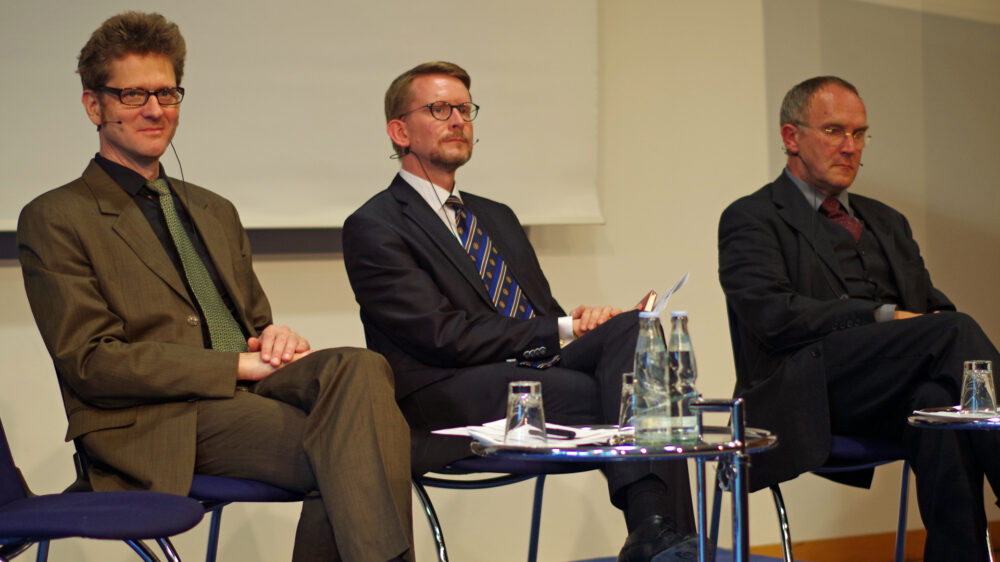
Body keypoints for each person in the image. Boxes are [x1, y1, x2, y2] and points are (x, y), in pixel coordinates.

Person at [16, 12, 411, 562]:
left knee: (362, 368)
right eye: (133, 95)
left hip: (245, 397)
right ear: (94, 106)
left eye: (167, 92)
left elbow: (252, 324)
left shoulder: (213, 209)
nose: (155, 109)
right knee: (357, 449)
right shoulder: (56, 217)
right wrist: (231, 368)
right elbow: (91, 363)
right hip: (156, 420)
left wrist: (271, 340)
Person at [342, 61, 700, 561]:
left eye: (466, 109)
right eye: (440, 109)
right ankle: (661, 537)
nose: (458, 120)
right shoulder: (375, 225)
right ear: (399, 131)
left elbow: (539, 315)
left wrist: (579, 327)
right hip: (443, 388)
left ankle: (657, 532)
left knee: (636, 335)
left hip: (526, 369)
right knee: (635, 394)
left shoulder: (497, 216)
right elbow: (442, 336)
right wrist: (560, 329)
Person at [718, 75, 1000, 560]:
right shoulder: (752, 217)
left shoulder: (887, 220)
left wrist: (916, 323)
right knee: (954, 333)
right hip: (808, 391)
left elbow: (932, 307)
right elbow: (773, 316)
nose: (850, 147)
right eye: (833, 131)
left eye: (859, 134)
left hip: (888, 391)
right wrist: (882, 317)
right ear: (791, 137)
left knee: (938, 403)